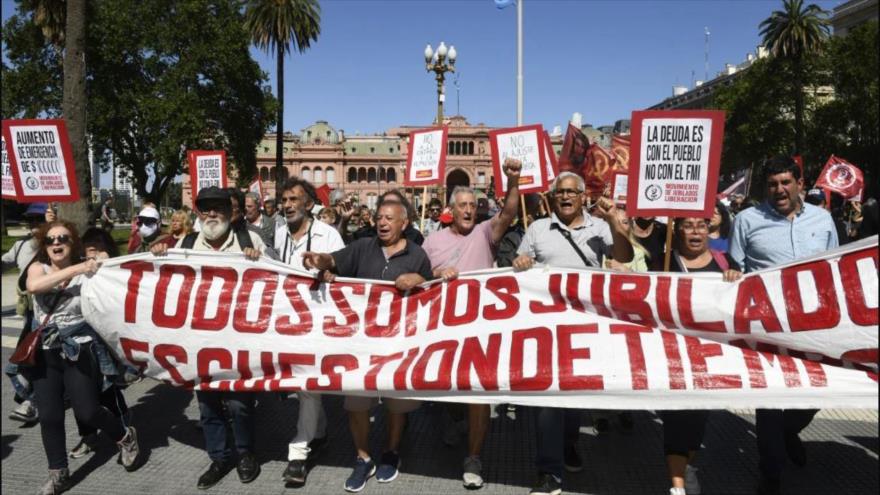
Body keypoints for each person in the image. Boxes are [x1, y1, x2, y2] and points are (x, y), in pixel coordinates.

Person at [512, 171, 634, 495]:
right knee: (549, 396)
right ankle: (548, 469)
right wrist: (522, 261)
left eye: (571, 192)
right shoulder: (537, 228)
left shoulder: (600, 228)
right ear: (553, 198)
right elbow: (519, 264)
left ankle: (568, 443)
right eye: (559, 193)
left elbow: (624, 256)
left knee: (575, 393)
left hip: (586, 326)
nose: (565, 197)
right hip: (547, 326)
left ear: (583, 197)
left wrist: (613, 220)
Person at [302, 199, 432, 493]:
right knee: (356, 405)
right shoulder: (362, 247)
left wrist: (421, 279)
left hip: (400, 346)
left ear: (404, 224)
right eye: (379, 217)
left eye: (389, 218)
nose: (382, 223)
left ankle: (391, 452)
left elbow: (433, 292)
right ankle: (363, 458)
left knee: (396, 406)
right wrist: (320, 261)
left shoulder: (418, 254)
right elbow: (333, 260)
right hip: (361, 346)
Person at [729, 156, 838, 495]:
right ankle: (771, 472)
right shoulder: (747, 221)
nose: (779, 189)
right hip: (768, 328)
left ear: (799, 184)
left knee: (820, 389)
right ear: (766, 187)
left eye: (786, 182)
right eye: (773, 184)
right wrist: (733, 275)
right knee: (771, 399)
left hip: (815, 326)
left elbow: (835, 266)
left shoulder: (823, 219)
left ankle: (790, 430)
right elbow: (737, 268)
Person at [151, 187, 264, 490]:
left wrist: (258, 260)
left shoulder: (249, 242)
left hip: (239, 341)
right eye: (206, 209)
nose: (212, 214)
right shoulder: (185, 244)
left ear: (230, 212)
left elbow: (274, 286)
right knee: (208, 405)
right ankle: (219, 457)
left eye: (218, 208)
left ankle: (244, 454)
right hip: (199, 343)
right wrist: (161, 256)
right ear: (199, 213)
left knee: (240, 404)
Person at [422, 158, 522, 489]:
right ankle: (453, 417)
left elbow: (507, 213)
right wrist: (434, 274)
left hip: (481, 327)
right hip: (444, 329)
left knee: (478, 392)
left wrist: (513, 181)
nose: (468, 210)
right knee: (451, 387)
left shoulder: (484, 232)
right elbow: (419, 277)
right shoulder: (432, 241)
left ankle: (474, 456)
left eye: (472, 206)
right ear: (451, 209)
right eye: (462, 205)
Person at [26, 220, 141, 494]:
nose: (56, 243)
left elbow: (125, 274)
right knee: (50, 416)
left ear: (73, 243)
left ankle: (124, 437)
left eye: (63, 238)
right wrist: (80, 266)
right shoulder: (37, 268)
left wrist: (102, 261)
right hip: (45, 351)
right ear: (44, 245)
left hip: (80, 348)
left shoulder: (90, 271)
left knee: (87, 411)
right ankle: (58, 472)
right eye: (50, 239)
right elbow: (34, 287)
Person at [273, 177, 345, 486]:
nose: (287, 205)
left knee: (307, 385)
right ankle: (320, 434)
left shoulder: (328, 235)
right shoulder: (279, 235)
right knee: (306, 388)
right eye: (284, 200)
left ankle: (298, 453)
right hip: (289, 323)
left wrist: (332, 271)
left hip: (319, 323)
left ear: (309, 204)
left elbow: (347, 273)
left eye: (294, 199)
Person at [662, 217, 741, 495]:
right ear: (677, 230)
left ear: (709, 230)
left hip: (709, 357)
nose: (695, 231)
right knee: (675, 418)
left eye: (701, 225)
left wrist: (735, 278)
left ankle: (686, 466)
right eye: (688, 225)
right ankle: (678, 486)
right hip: (671, 354)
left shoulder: (724, 261)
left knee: (697, 420)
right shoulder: (665, 261)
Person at [68, 227, 134, 460]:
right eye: (88, 243)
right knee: (80, 395)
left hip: (104, 339)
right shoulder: (74, 266)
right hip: (78, 341)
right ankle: (88, 436)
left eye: (99, 243)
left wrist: (107, 265)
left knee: (108, 390)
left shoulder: (115, 269)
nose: (92, 248)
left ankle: (126, 432)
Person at [3, 202, 49, 425]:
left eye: (38, 219)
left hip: (48, 313)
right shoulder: (21, 245)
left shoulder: (54, 243)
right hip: (30, 313)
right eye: (30, 219)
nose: (33, 224)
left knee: (21, 363)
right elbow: (6, 262)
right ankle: (32, 400)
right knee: (31, 360)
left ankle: (32, 402)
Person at [352, 190, 425, 246]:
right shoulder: (369, 235)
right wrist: (344, 221)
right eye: (386, 204)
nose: (389, 209)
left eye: (394, 204)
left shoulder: (414, 237)